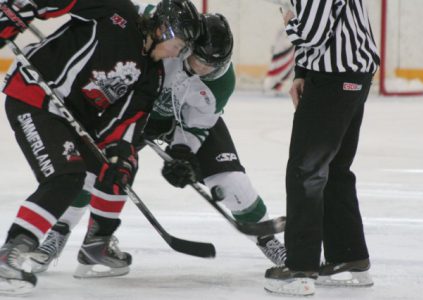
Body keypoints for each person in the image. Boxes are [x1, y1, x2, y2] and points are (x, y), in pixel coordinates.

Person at [27, 12, 287, 275]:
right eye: (200, 61)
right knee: (90, 172)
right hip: (132, 112)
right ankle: (59, 234)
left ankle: (269, 241)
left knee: (230, 181)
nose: (205, 70)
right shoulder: (165, 46)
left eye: (214, 66)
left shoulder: (221, 82)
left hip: (180, 122)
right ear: (187, 46)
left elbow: (198, 124)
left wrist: (182, 152)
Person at [0, 0, 202, 295]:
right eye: (179, 44)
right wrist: (16, 13)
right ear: (162, 28)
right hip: (35, 97)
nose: (178, 53)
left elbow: (129, 120)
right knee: (67, 177)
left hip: (72, 118)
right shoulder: (118, 12)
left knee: (123, 165)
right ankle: (12, 252)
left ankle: (97, 244)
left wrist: (120, 153)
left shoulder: (152, 73)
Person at [264, 0, 380, 296]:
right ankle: (348, 256)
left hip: (334, 78)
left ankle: (300, 268)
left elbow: (311, 34)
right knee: (334, 168)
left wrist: (287, 16)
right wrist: (302, 72)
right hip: (349, 76)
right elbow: (321, 28)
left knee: (306, 169)